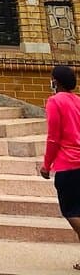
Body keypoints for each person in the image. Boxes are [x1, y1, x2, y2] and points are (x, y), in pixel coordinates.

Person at [40, 63, 80, 259]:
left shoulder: (55, 102)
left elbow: (53, 138)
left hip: (68, 165)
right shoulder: (78, 101)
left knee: (71, 211)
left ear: (56, 81)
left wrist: (46, 165)